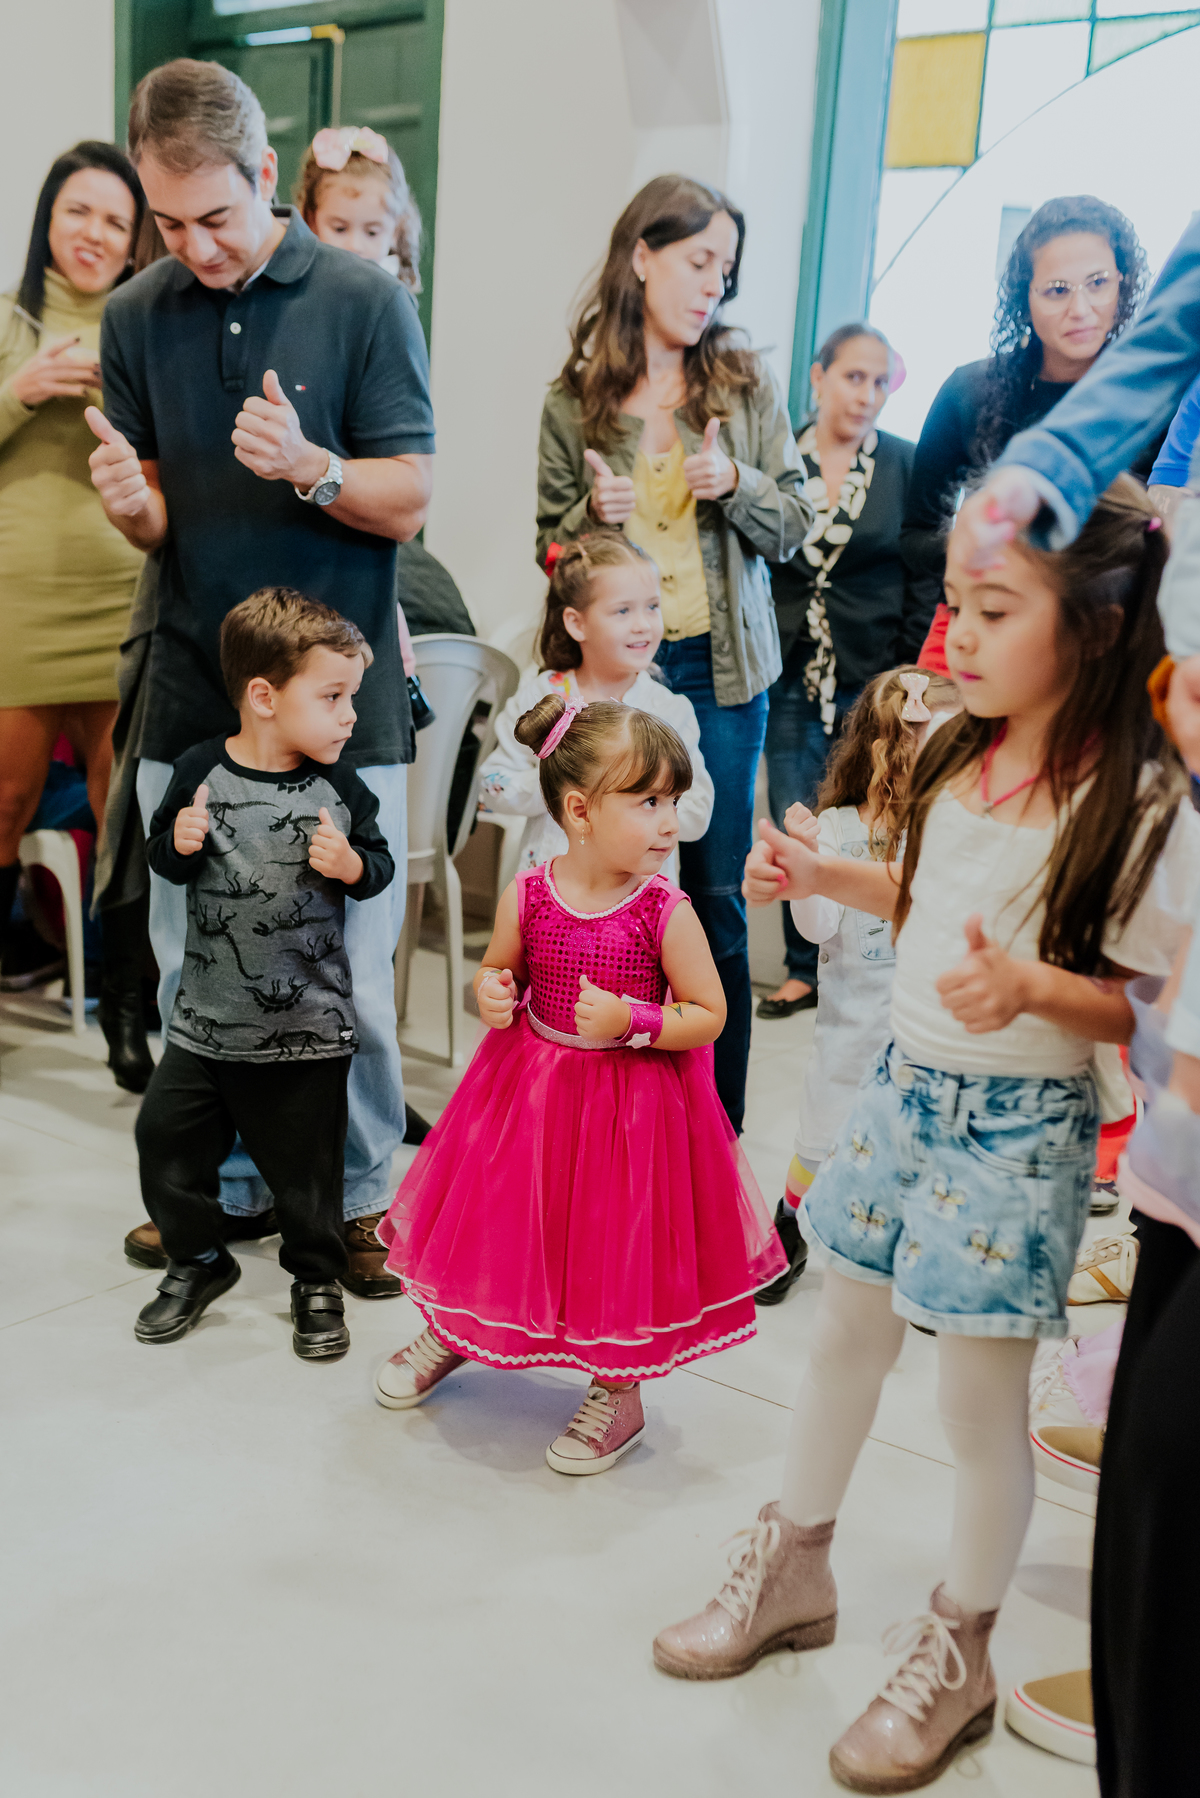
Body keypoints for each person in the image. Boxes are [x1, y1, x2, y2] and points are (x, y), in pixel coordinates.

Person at [652, 477, 1200, 1794]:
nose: (955, 629)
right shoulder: (963, 746)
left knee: (973, 1397)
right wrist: (821, 875)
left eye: (994, 608)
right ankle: (796, 1560)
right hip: (904, 1085)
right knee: (844, 1328)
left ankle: (961, 1641)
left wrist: (1027, 988)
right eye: (954, 599)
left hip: (1020, 1125)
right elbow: (921, 879)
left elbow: (1136, 996)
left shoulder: (1135, 804)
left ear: (1099, 629)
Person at [85, 59, 434, 1297]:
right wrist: (134, 507)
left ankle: (352, 1199)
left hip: (342, 710)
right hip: (196, 699)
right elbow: (160, 516)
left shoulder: (361, 300)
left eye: (216, 218)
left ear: (269, 178)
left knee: (345, 980)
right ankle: (224, 1189)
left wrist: (314, 467)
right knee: (201, 970)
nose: (196, 248)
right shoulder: (137, 316)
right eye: (167, 223)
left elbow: (410, 497)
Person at [372, 696, 784, 1470]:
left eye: (673, 800)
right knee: (499, 1215)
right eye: (649, 801)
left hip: (631, 1111)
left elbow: (710, 1013)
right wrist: (491, 991)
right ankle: (460, 1327)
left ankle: (617, 1386)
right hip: (527, 1091)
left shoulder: (665, 909)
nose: (670, 821)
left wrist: (636, 1020)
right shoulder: (529, 891)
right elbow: (501, 968)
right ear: (579, 810)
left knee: (611, 1243)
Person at [536, 173, 812, 1134]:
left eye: (725, 270)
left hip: (723, 678)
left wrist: (735, 480)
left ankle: (714, 1132)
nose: (712, 286)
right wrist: (588, 519)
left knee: (713, 898)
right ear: (642, 255)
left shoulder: (739, 384)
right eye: (698, 261)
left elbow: (797, 523)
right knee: (614, 892)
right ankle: (613, 1114)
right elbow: (551, 552)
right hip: (620, 684)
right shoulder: (575, 399)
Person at [134, 589, 394, 1359]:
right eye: (334, 696)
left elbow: (376, 866)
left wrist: (352, 864)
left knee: (307, 1177)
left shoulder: (341, 790)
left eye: (353, 696)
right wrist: (178, 842)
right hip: (204, 1025)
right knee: (164, 1141)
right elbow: (162, 860)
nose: (351, 715)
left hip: (306, 1031)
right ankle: (198, 1259)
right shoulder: (198, 771)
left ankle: (314, 1279)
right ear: (264, 697)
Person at [0, 141, 156, 1085]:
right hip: (17, 602)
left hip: (116, 597)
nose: (94, 233)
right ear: (47, 219)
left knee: (121, 809)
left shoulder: (146, 326)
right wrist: (20, 392)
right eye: (78, 212)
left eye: (114, 219)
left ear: (137, 238)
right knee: (7, 803)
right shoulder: (10, 323)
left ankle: (126, 1021)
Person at [757, 665, 960, 1307]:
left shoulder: (945, 829)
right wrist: (809, 868)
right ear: (886, 752)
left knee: (924, 1142)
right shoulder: (839, 827)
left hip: (923, 1026)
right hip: (852, 1024)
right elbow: (818, 930)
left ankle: (921, 1256)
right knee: (822, 1137)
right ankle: (790, 1226)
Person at [903, 196, 1149, 674]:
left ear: (1124, 282)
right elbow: (914, 536)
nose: (1081, 308)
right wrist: (983, 545)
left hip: (1107, 641)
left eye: (1098, 283)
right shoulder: (968, 392)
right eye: (1057, 290)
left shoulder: (1152, 398)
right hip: (982, 626)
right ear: (1024, 296)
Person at [759, 322, 925, 1020]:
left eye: (880, 381)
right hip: (791, 660)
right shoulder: (779, 459)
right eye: (854, 377)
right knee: (800, 807)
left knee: (874, 809)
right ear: (819, 377)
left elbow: (921, 570)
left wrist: (909, 670)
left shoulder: (906, 464)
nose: (867, 394)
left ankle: (876, 953)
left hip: (871, 662)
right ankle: (805, 967)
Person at [478, 533, 713, 872]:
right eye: (622, 610)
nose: (643, 625)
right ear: (576, 622)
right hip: (555, 893)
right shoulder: (542, 696)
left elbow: (697, 811)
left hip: (638, 898)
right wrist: (557, 784)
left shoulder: (670, 710)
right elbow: (492, 785)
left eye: (652, 606)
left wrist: (644, 799)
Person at [295, 123, 422, 295]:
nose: (355, 246)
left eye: (372, 233)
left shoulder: (394, 296)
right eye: (340, 229)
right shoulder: (300, 289)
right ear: (312, 221)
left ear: (396, 231)